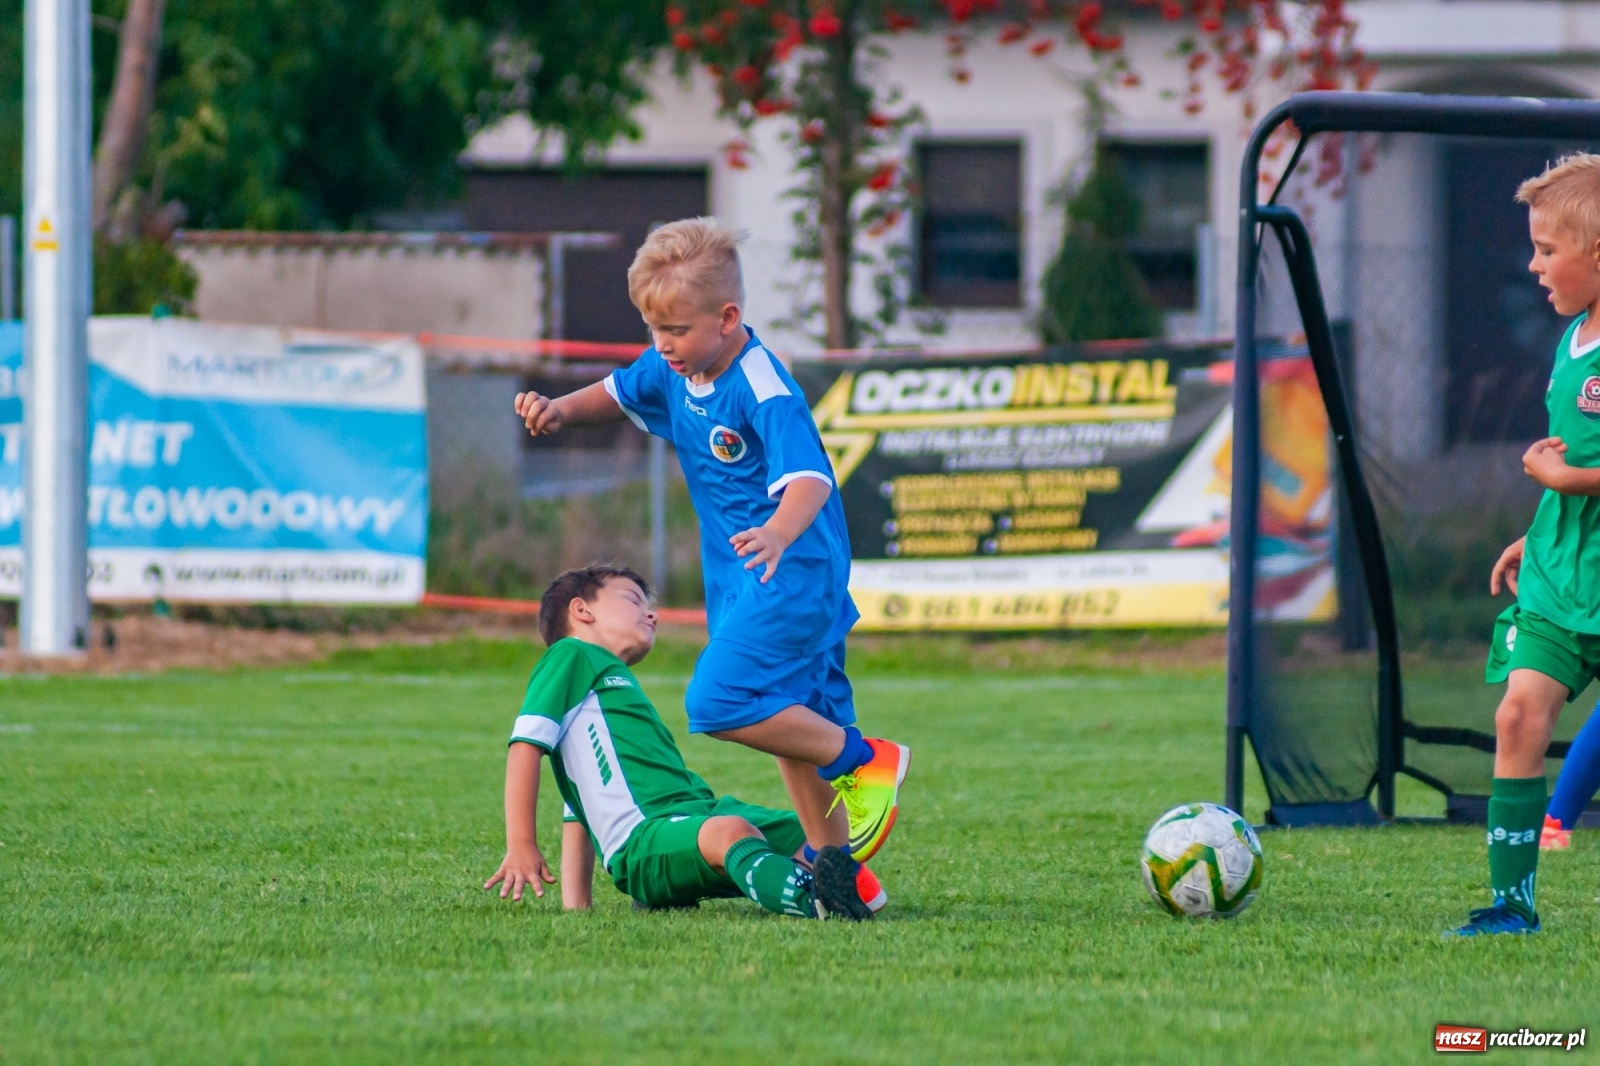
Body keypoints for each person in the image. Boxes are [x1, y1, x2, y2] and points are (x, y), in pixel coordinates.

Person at [512, 217, 908, 888]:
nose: (662, 346)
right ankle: (839, 876)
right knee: (793, 724)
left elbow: (811, 477)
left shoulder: (761, 384)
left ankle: (866, 759)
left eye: (675, 331)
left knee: (719, 701)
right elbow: (614, 392)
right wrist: (559, 410)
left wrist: (780, 531)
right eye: (653, 330)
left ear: (727, 318)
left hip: (791, 572)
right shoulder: (674, 365)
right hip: (742, 580)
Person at [484, 565, 873, 921]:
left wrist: (578, 905)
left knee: (819, 837)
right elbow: (525, 746)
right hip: (643, 840)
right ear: (582, 611)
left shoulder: (608, 685)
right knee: (732, 832)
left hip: (696, 814)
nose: (650, 613)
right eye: (633, 600)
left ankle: (809, 883)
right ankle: (818, 902)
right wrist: (521, 843)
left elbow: (578, 804)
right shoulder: (569, 654)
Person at [1452, 152, 1600, 936]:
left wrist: (1566, 487)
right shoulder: (1574, 336)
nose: (1534, 266)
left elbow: (1576, 473)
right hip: (1559, 573)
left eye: (1548, 250)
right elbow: (1574, 463)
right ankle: (1513, 907)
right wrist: (1538, 528)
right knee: (1518, 717)